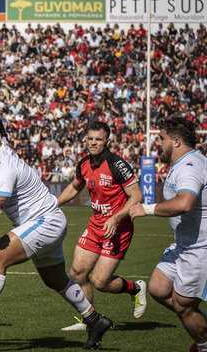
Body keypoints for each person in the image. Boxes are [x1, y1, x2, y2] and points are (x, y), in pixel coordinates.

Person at [0, 116, 113, 350]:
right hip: (48, 221)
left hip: (44, 221)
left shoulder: (4, 165)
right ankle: (94, 319)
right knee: (55, 280)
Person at [57, 121, 146, 331]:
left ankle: (135, 289)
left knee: (100, 281)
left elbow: (137, 196)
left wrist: (116, 218)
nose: (94, 143)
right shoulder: (84, 164)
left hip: (118, 228)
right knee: (77, 273)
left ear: (107, 141)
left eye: (98, 139)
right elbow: (74, 186)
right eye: (90, 139)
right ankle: (90, 320)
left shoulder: (117, 164)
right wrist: (54, 203)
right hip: (96, 224)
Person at [129, 117, 207, 352]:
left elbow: (184, 203)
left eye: (161, 139)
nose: (159, 144)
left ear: (176, 141)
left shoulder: (189, 167)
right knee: (158, 289)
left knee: (184, 306)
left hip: (199, 248)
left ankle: (203, 345)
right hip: (183, 245)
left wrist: (148, 209)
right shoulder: (186, 162)